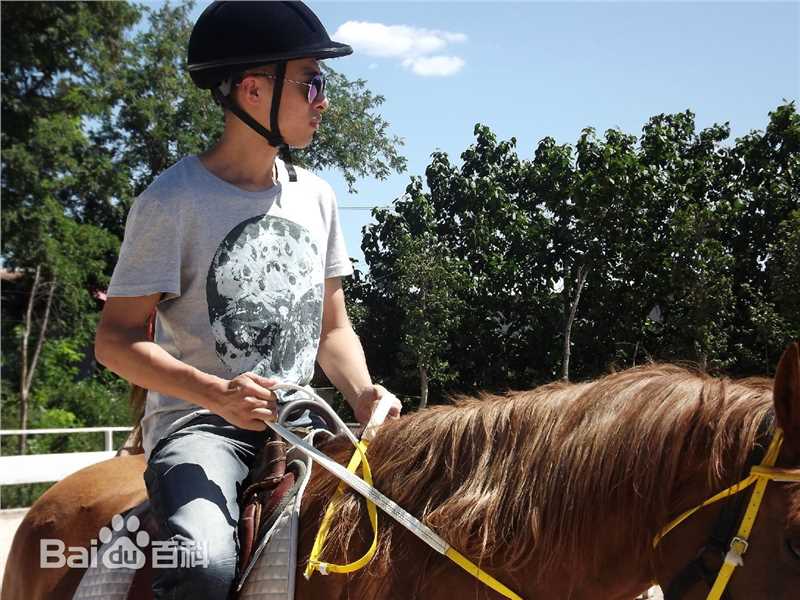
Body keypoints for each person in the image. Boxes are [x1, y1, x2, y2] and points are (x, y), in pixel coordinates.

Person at [94, 1, 401, 597]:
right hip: (202, 426)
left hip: (307, 420)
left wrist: (364, 393)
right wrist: (217, 394)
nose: (324, 100)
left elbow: (332, 330)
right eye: (312, 82)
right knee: (204, 562)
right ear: (255, 90)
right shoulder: (171, 202)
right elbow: (116, 339)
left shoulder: (317, 197)